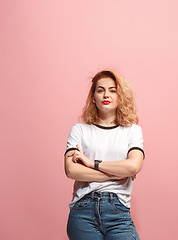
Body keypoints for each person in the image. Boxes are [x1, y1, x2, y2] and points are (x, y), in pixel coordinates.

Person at [64, 70, 145, 240]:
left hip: (119, 211)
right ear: (93, 97)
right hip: (83, 211)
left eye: (112, 90)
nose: (106, 94)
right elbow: (72, 171)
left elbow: (133, 166)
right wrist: (118, 173)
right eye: (100, 90)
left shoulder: (132, 131)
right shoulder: (79, 130)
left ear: (120, 96)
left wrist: (92, 163)